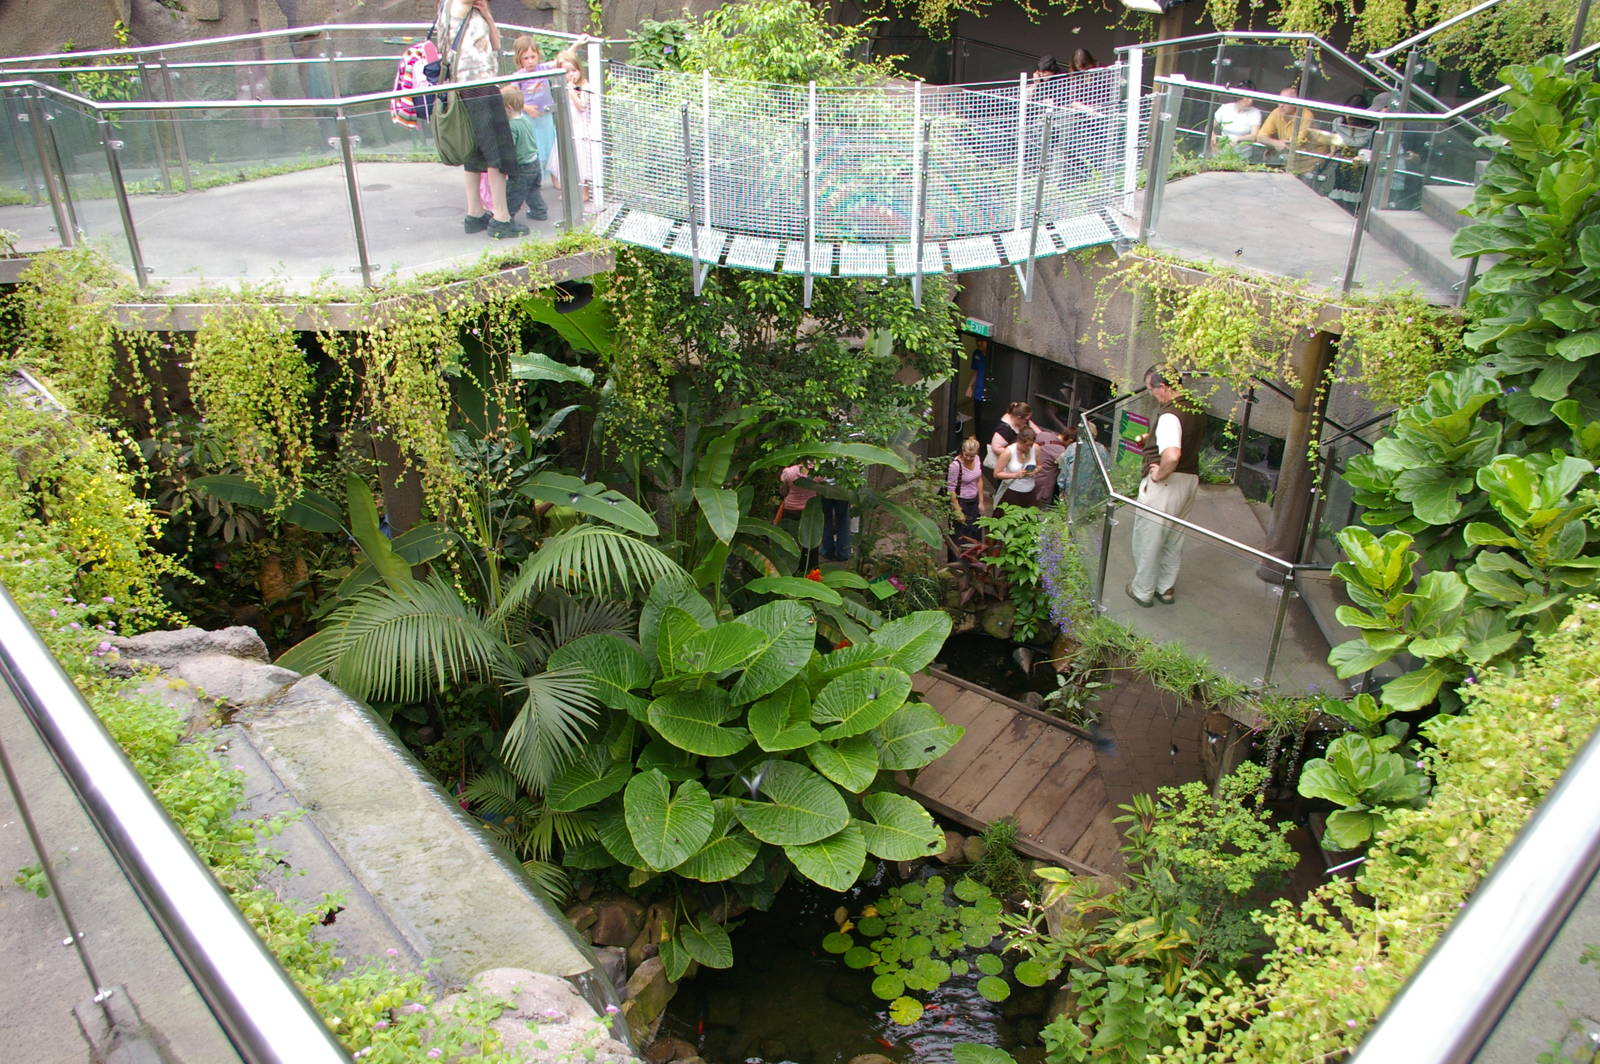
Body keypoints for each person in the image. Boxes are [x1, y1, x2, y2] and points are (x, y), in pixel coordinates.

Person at [435, 0, 527, 240]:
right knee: (497, 151)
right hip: (477, 86)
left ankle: (475, 214)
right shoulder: (458, 4)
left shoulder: (464, 8)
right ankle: (501, 217)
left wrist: (487, 13)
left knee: (476, 150)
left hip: (476, 84)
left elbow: (495, 45)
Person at [1126, 366, 1206, 608]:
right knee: (1174, 538)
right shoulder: (1195, 407)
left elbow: (1171, 454)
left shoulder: (1171, 415)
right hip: (1189, 480)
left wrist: (1159, 473)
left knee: (1148, 537)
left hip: (1167, 484)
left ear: (1163, 387)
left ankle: (1142, 591)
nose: (1151, 395)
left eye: (1151, 389)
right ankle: (1165, 588)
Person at [548, 48, 594, 206]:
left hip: (582, 129)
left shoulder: (584, 86)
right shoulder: (562, 86)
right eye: (567, 72)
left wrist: (572, 92)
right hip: (569, 127)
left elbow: (582, 106)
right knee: (565, 159)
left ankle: (584, 191)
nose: (571, 75)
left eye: (574, 70)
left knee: (582, 161)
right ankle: (569, 190)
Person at [512, 36, 558, 192]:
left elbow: (560, 60)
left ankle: (555, 177)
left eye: (533, 56)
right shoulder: (518, 76)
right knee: (533, 150)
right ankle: (533, 181)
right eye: (526, 58)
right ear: (520, 59)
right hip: (529, 120)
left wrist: (578, 44)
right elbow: (512, 97)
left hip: (545, 116)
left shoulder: (543, 69)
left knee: (551, 147)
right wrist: (525, 107)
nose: (531, 61)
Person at [1252, 86, 1332, 174]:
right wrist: (1275, 143)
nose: (1281, 105)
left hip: (1310, 163)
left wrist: (1273, 144)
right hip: (1289, 161)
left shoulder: (1306, 115)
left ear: (1295, 103)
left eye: (1286, 102)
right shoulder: (1276, 112)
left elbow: (1294, 144)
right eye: (1279, 101)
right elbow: (1260, 137)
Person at [499, 85, 548, 222]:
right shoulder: (526, 120)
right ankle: (539, 211)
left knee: (514, 193)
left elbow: (510, 146)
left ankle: (507, 217)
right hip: (534, 162)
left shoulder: (512, 126)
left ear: (508, 108)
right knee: (533, 191)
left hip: (522, 166)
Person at [947, 437, 988, 547]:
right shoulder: (955, 466)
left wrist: (981, 502)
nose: (969, 458)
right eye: (967, 455)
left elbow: (979, 480)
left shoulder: (977, 459)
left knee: (975, 532)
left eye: (972, 456)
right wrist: (958, 510)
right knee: (960, 535)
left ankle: (974, 560)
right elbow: (951, 490)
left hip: (973, 500)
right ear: (962, 451)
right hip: (961, 501)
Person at [994, 425, 1043, 509]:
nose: (1029, 448)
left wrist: (1036, 470)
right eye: (1026, 445)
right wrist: (1015, 475)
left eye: (1031, 445)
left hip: (1030, 491)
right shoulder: (1008, 452)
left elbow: (1040, 466)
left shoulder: (1036, 448)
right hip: (1012, 491)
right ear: (1019, 441)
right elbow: (996, 474)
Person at [1210, 80, 1263, 152]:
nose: (1251, 101)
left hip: (1243, 156)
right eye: (1247, 97)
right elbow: (1209, 126)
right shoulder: (1225, 108)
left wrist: (1238, 139)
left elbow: (1254, 136)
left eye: (1252, 97)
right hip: (1222, 152)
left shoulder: (1255, 113)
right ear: (1239, 96)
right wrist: (1212, 135)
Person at [986, 401, 1032, 472]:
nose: (1027, 422)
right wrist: (1017, 453)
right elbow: (995, 448)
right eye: (1026, 420)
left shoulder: (1015, 417)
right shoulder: (1005, 430)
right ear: (1019, 417)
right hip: (1007, 466)